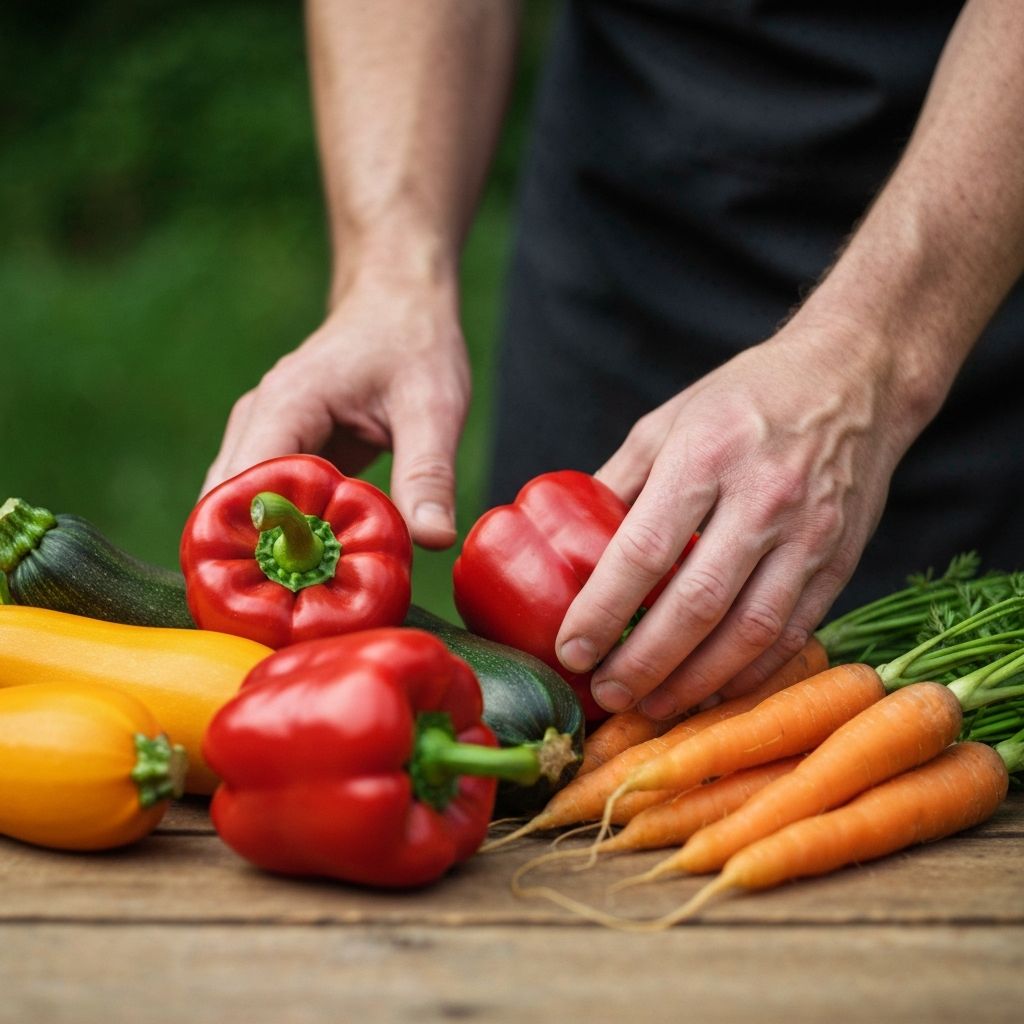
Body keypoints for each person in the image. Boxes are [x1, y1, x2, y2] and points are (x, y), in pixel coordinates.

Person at [203, 1, 1024, 720]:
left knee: (957, 706)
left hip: (980, 234)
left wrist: (876, 356)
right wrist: (389, 274)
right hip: (626, 203)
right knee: (571, 684)